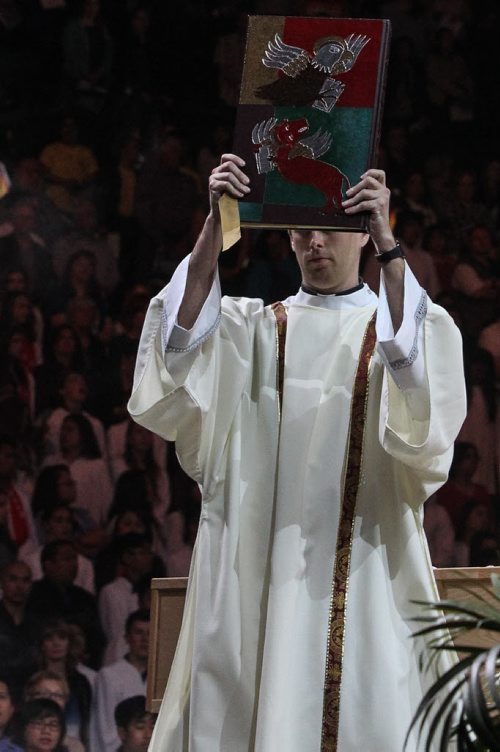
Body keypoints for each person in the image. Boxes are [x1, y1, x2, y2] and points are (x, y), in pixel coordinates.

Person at [128, 154, 467, 751]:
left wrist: (391, 246)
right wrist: (217, 223)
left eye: (332, 226)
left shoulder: (396, 332)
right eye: (302, 229)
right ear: (286, 237)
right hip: (254, 585)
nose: (316, 241)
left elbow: (427, 414)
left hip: (364, 577)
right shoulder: (251, 333)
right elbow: (175, 352)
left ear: (363, 232)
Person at [90, 609, 149, 752]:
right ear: (127, 637)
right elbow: (106, 730)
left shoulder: (163, 678)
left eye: (150, 633)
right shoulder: (109, 676)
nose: (145, 639)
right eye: (138, 632)